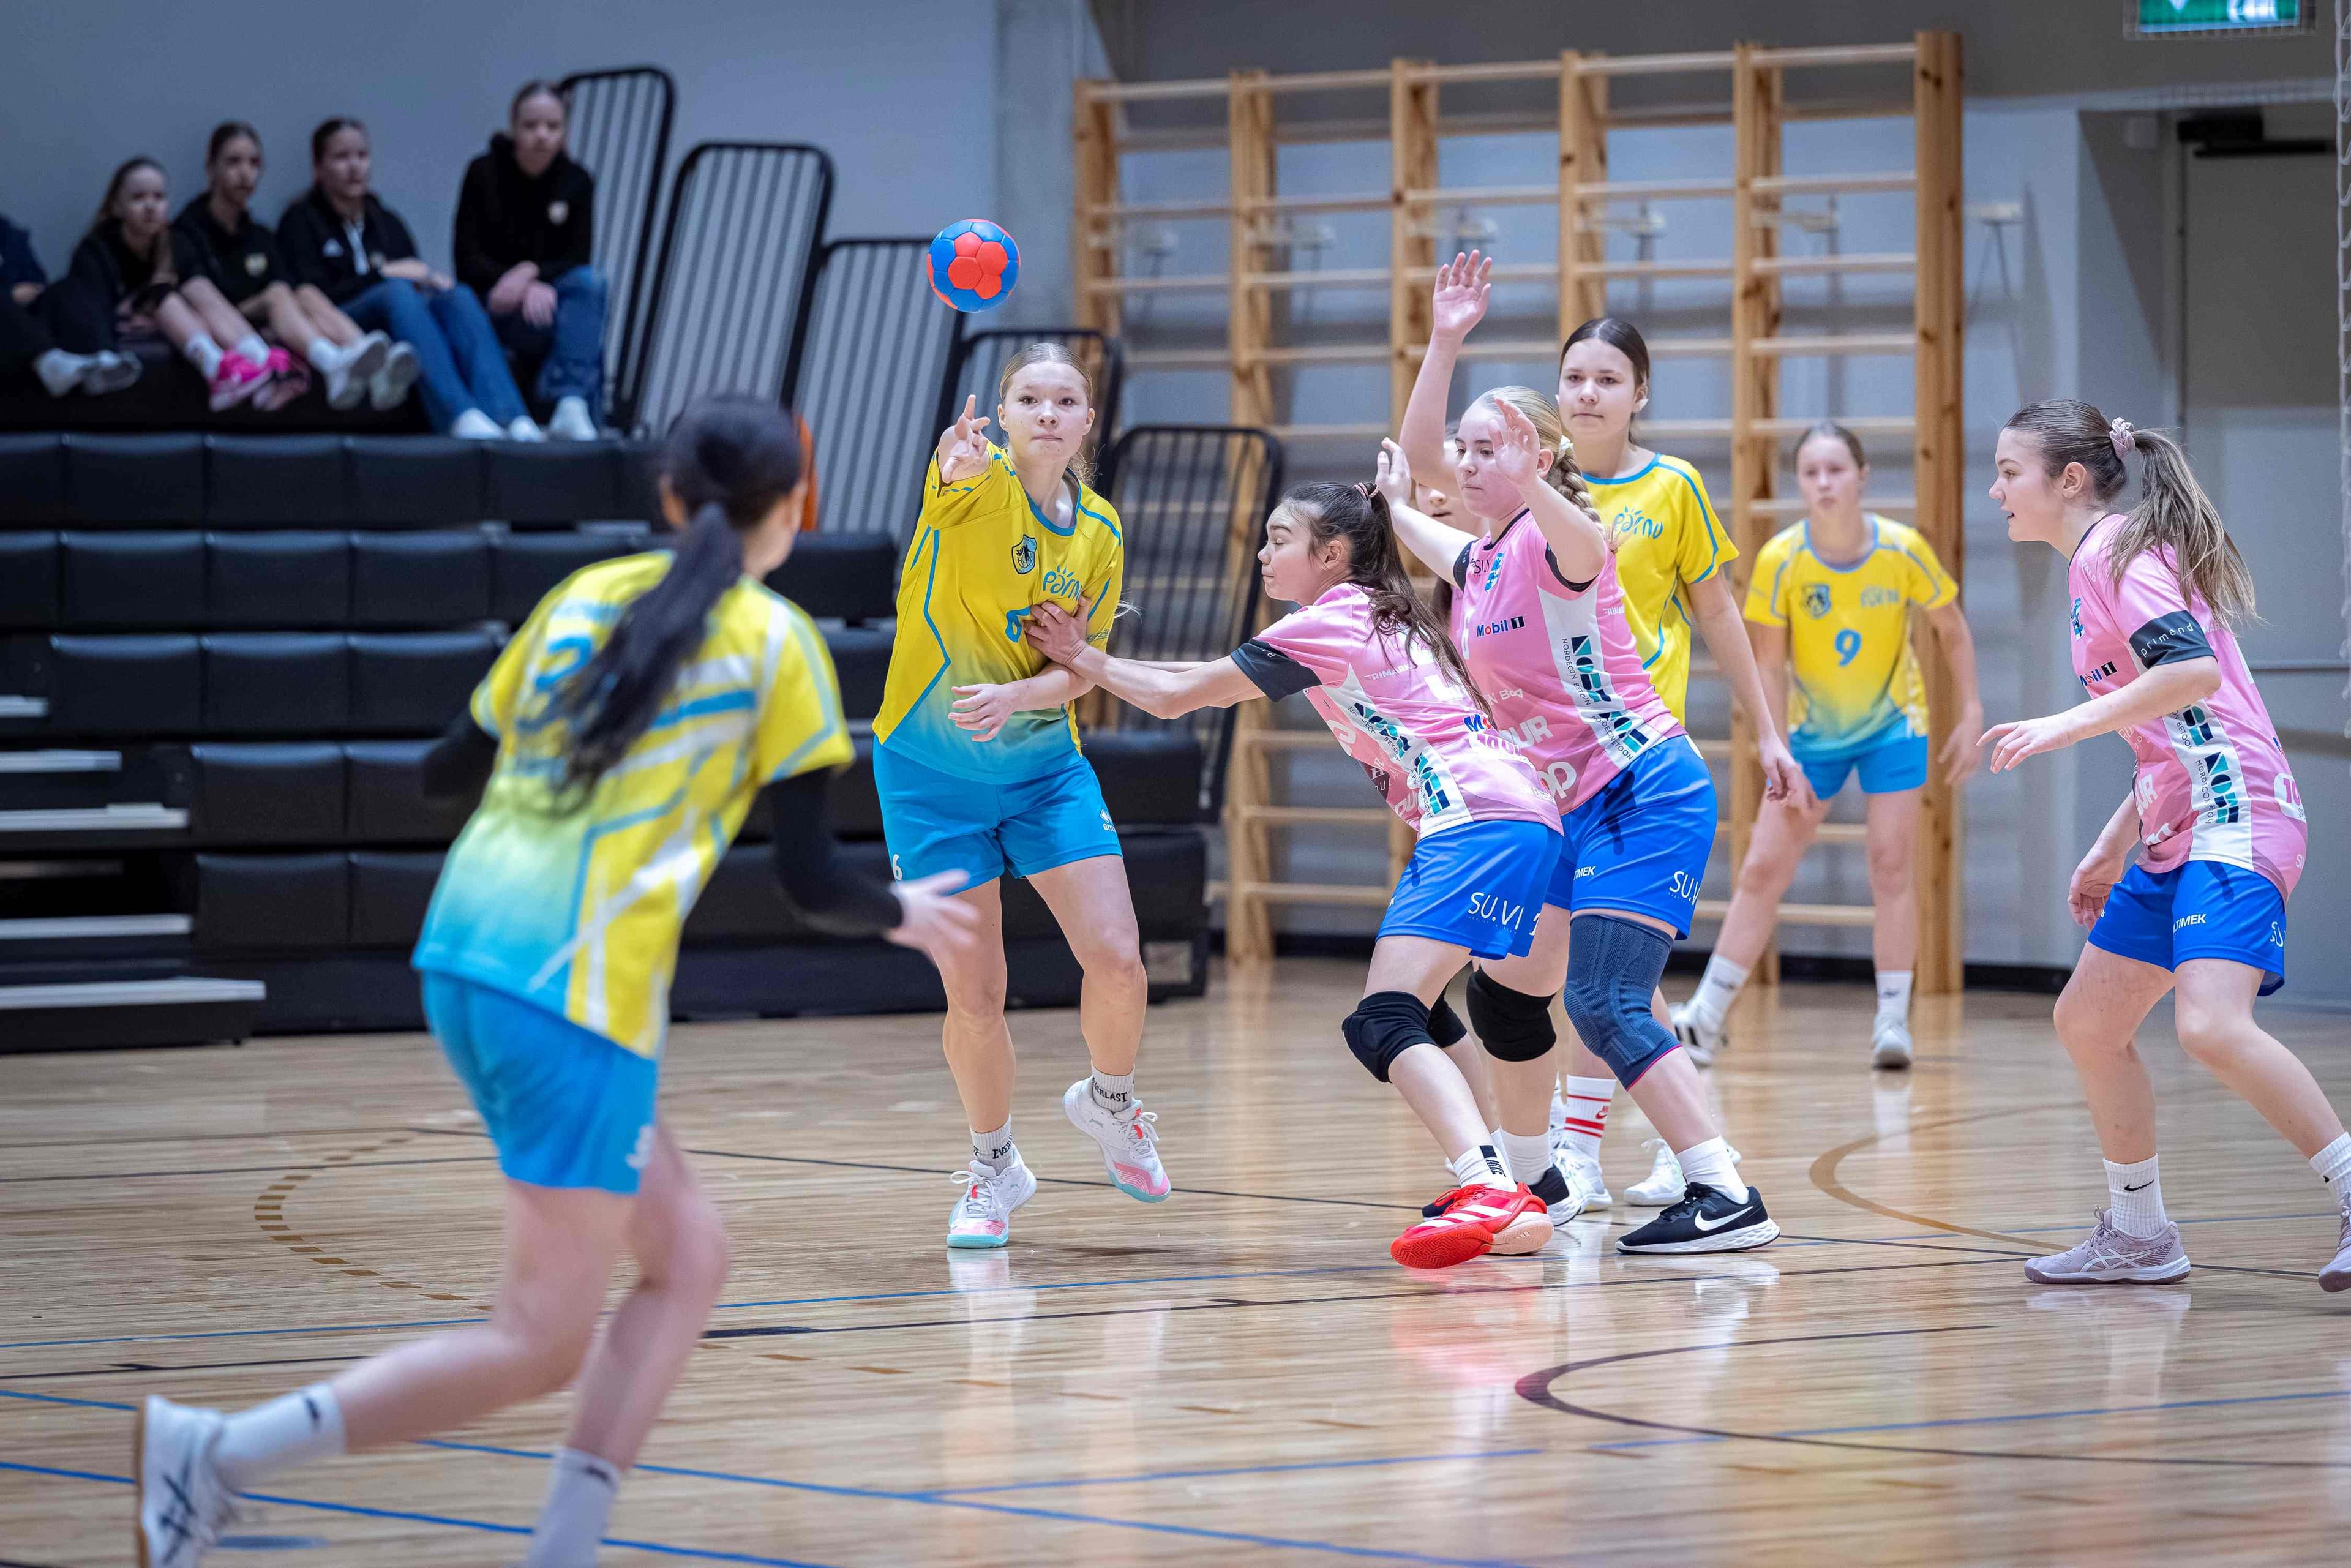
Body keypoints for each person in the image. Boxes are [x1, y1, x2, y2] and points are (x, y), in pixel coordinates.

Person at [132, 396, 981, 1567]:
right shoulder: (777, 642)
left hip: (466, 946)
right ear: (796, 509)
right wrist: (909, 915)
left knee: (690, 1261)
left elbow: (444, 770)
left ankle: (563, 1549)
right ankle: (216, 1455)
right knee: (538, 1341)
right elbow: (809, 881)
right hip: (567, 987)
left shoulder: (583, 598)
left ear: (671, 497)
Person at [1026, 480, 1561, 1269]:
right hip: (1526, 817)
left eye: (1281, 539)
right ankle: (1515, 1183)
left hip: (1477, 820)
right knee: (1422, 1009)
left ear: (1332, 554)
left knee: (1384, 1019)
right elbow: (1197, 677)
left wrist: (1081, 655)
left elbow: (1175, 696)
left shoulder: (1332, 619)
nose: (1263, 553)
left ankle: (1486, 1183)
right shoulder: (1389, 610)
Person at [1392, 302, 1781, 1252]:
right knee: (1504, 992)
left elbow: (1585, 543)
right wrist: (1439, 354)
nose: (1465, 466)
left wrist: (1532, 476)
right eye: (1466, 451)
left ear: (1535, 458)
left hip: (1642, 789)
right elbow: (1411, 488)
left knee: (1604, 1000)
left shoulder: (1562, 539)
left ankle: (1725, 1192)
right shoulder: (1481, 561)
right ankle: (1541, 1186)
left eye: (1487, 450)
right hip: (1565, 806)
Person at [1981, 399, 2349, 1292]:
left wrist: (2061, 726)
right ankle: (2139, 1233)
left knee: (2212, 1025)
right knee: (2088, 1022)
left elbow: (2193, 674)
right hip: (2178, 823)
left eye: (2008, 472)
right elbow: (2172, 733)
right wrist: (2114, 842)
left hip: (2240, 814)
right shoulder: (2090, 569)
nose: (1995, 490)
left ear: (2070, 480)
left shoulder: (2120, 553)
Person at [872, 344, 1165, 1249]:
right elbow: (952, 473)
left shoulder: (1100, 532)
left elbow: (1080, 669)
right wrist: (953, 461)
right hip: (930, 775)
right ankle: (993, 1166)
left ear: (1087, 422)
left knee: (1118, 957)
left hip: (1044, 768)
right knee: (976, 994)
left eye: (1064, 400)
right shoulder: (975, 484)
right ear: (1001, 417)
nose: (1047, 412)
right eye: (1029, 398)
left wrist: (1019, 694)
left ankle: (1110, 1101)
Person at [1537, 292, 1809, 1210]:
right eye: (1575, 377)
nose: (1588, 393)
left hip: (1637, 756)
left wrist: (1767, 729)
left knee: (1598, 966)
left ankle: (1580, 1151)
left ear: (1640, 393)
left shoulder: (1673, 487)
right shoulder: (1534, 487)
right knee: (1603, 971)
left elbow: (1719, 611)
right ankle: (1683, 1139)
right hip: (1550, 758)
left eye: (1608, 379)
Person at [1672, 422, 1984, 1070]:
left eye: (1836, 469)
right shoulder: (1781, 558)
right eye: (1811, 472)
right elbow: (1767, 663)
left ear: (1863, 476)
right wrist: (1778, 747)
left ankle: (1892, 1022)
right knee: (1762, 868)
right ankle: (1704, 1017)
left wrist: (1972, 709)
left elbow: (1952, 629)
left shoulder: (1902, 549)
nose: (1823, 483)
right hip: (1811, 738)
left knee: (1891, 866)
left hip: (1894, 727)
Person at [279, 116, 540, 438]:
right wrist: (383, 274)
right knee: (396, 291)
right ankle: (459, 415)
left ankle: (511, 417)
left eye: (362, 155)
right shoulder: (300, 220)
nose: (354, 167)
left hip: (400, 316)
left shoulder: (386, 220)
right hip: (342, 319)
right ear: (319, 167)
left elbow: (416, 279)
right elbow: (309, 295)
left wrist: (425, 282)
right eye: (342, 157)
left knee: (457, 297)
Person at [175, 120, 397, 412]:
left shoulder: (260, 234)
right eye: (233, 162)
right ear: (211, 168)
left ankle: (365, 356)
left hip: (268, 321)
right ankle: (332, 363)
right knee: (276, 294)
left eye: (254, 163)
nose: (245, 173)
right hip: (221, 320)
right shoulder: (187, 230)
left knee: (302, 291)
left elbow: (290, 289)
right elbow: (197, 293)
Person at [47, 157, 284, 411]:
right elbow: (91, 308)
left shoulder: (177, 241)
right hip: (128, 326)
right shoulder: (97, 249)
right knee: (163, 294)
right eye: (138, 198)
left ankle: (260, 358)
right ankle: (217, 370)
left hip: (175, 321)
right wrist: (137, 312)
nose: (150, 206)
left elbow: (203, 293)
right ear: (117, 205)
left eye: (159, 197)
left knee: (196, 286)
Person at [455, 80, 605, 438]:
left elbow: (577, 256)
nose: (542, 135)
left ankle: (570, 402)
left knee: (591, 284)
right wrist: (516, 283)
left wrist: (532, 274)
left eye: (553, 126)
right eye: (531, 125)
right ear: (513, 127)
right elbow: (466, 259)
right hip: (496, 298)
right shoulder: (483, 173)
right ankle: (549, 406)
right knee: (575, 332)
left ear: (565, 131)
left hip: (547, 297)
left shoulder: (577, 180)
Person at [0, 209, 140, 397]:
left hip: (26, 316)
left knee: (65, 289)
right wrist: (9, 294)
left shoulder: (7, 233)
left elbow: (36, 281)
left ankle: (101, 357)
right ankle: (51, 363)